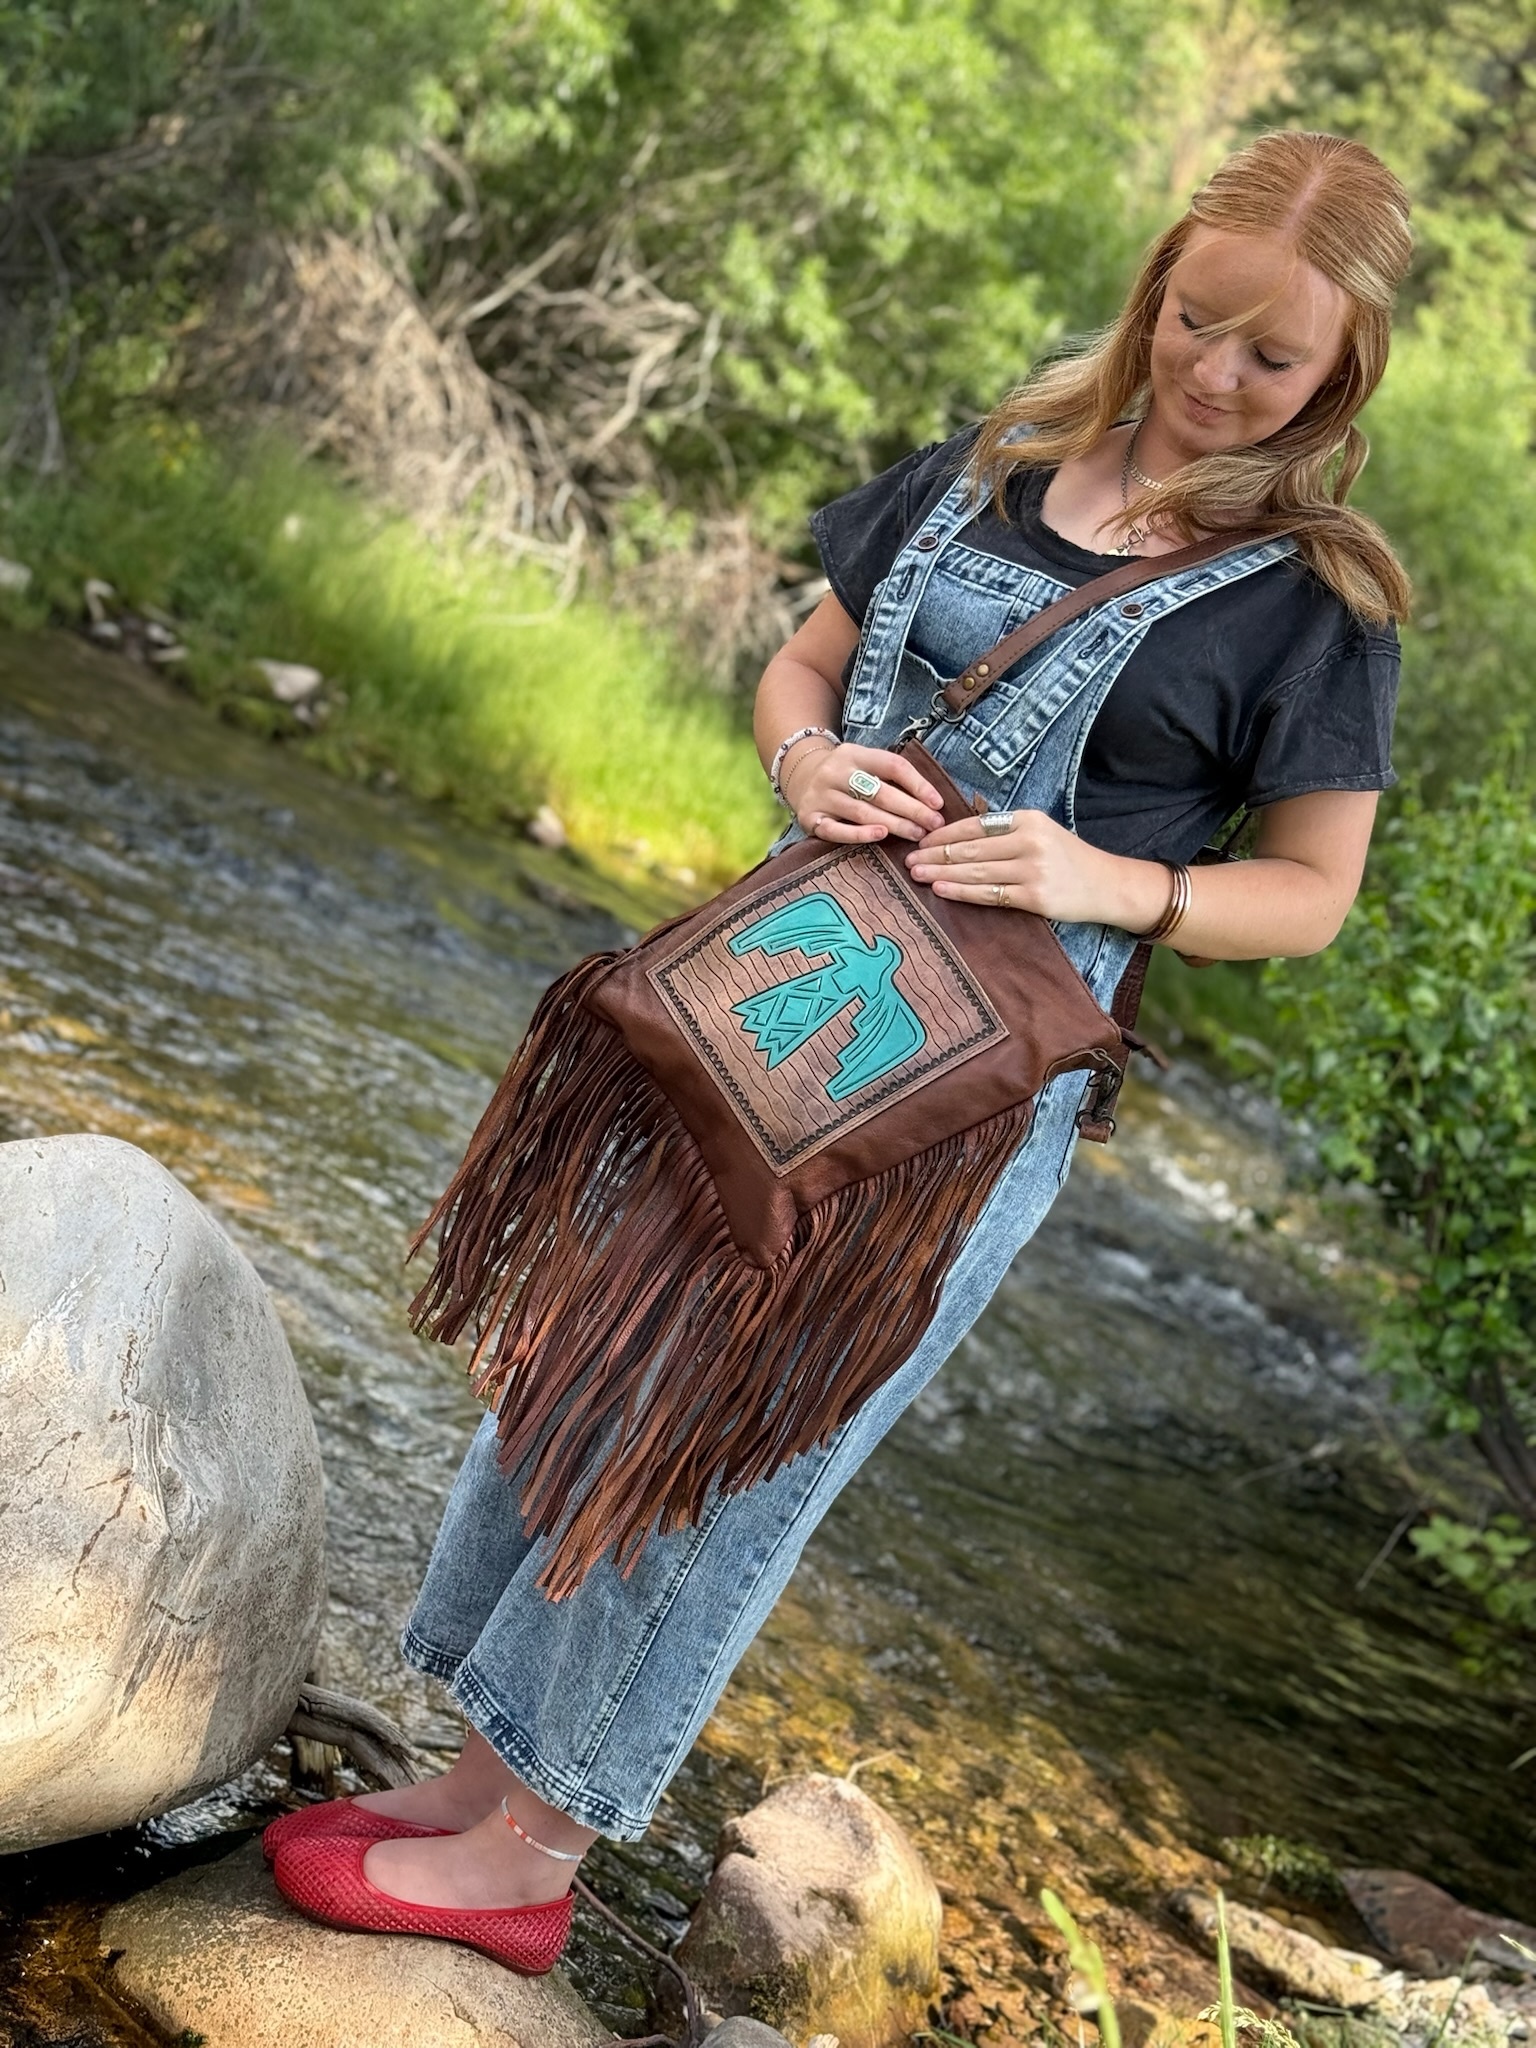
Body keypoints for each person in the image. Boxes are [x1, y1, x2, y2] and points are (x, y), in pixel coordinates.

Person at [268, 129, 1412, 1970]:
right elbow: (802, 672)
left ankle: (538, 1850)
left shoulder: (1314, 599)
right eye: (1196, 320)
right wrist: (806, 764)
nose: (1214, 374)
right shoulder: (1007, 459)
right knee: (598, 1352)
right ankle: (483, 1774)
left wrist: (1103, 875)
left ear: (1342, 370)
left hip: (963, 1110)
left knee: (737, 1438)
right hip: (778, 991)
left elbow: (1312, 893)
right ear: (1157, 285)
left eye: (1269, 359)